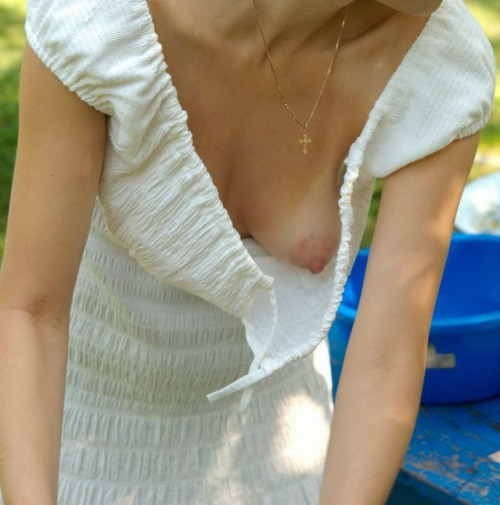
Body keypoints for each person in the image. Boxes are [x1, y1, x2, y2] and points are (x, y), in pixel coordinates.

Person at [0, 0, 495, 504]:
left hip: (280, 458)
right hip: (67, 440)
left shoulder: (441, 66)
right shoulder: (101, 20)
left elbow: (386, 358)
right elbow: (31, 313)